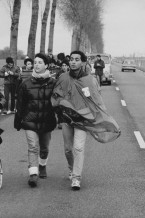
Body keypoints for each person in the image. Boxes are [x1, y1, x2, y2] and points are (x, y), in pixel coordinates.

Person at [51, 51, 105, 190]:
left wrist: (99, 116)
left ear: (82, 62)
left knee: (78, 148)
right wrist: (59, 108)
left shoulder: (90, 80)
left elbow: (96, 98)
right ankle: (71, 168)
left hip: (82, 119)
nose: (73, 62)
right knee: (68, 149)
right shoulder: (63, 77)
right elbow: (55, 96)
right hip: (67, 118)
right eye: (72, 59)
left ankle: (76, 178)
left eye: (77, 59)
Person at [14, 53, 57, 188]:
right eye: (35, 62)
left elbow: (58, 102)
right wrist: (18, 120)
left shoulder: (53, 83)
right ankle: (33, 173)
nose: (36, 65)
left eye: (40, 62)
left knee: (44, 148)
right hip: (30, 120)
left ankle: (42, 165)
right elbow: (20, 103)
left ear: (46, 65)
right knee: (33, 147)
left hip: (47, 120)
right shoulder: (26, 84)